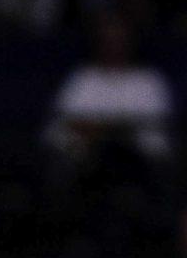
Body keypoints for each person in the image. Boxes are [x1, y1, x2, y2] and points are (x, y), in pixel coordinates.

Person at [43, 13, 173, 172]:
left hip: (140, 163)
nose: (113, 46)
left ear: (130, 42)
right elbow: (65, 120)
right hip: (86, 163)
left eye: (119, 40)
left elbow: (155, 124)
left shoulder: (148, 79)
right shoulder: (83, 77)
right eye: (107, 40)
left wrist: (106, 129)